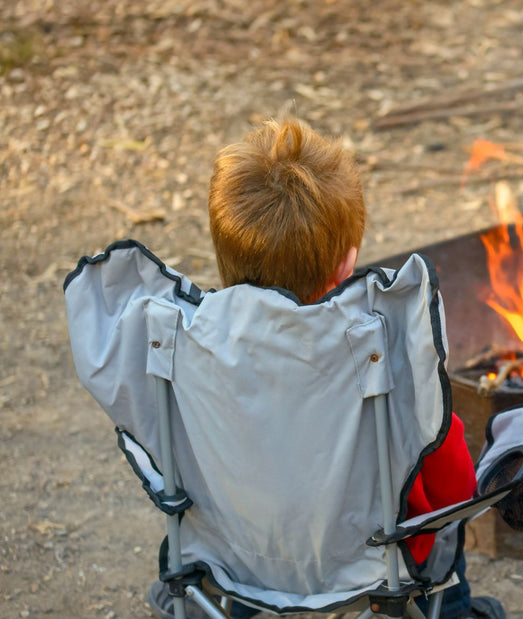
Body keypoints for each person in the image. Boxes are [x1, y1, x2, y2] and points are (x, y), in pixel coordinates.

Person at [147, 117, 496, 619]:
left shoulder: (187, 352)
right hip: (373, 567)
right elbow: (456, 490)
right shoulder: (388, 361)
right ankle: (455, 611)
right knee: (441, 530)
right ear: (348, 262)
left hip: (235, 559)